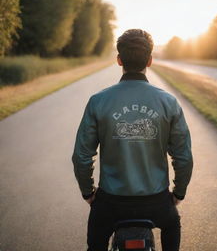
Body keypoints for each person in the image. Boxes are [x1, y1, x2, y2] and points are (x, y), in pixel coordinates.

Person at [72, 29, 193, 251]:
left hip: (110, 203)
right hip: (156, 201)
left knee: (95, 244)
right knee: (172, 225)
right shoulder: (169, 102)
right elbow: (183, 157)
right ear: (150, 61)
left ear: (119, 60)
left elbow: (81, 156)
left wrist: (88, 192)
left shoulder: (98, 101)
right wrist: (178, 193)